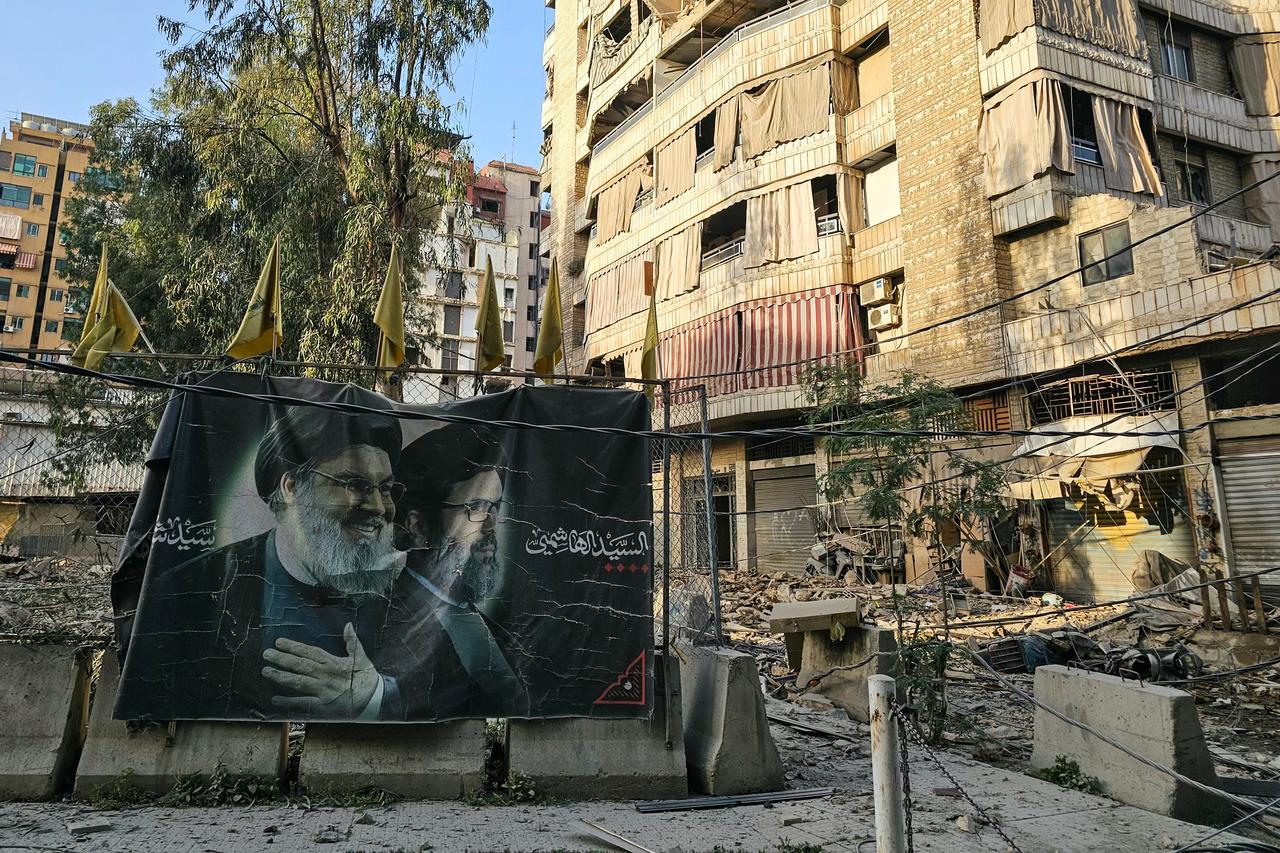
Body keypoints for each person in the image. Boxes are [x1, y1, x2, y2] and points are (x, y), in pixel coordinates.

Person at [115, 405, 406, 721]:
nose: (379, 507)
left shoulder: (408, 588)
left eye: (385, 488)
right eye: (355, 485)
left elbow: (448, 684)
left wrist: (374, 697)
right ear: (292, 488)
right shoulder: (188, 589)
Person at [377, 423, 532, 720]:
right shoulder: (388, 617)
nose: (489, 525)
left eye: (493, 507)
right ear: (418, 525)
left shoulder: (474, 614)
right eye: (475, 506)